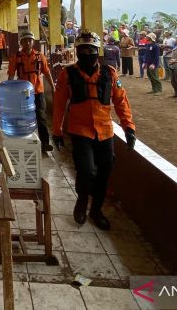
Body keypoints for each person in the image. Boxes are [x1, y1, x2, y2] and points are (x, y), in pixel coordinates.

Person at [52, 30, 136, 230]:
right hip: (80, 131)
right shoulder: (68, 74)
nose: (87, 53)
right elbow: (59, 104)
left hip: (105, 131)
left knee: (105, 171)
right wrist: (57, 131)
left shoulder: (109, 73)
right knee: (86, 170)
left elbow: (121, 101)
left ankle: (96, 209)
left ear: (97, 51)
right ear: (78, 51)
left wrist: (129, 127)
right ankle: (82, 200)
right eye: (83, 49)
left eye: (91, 49)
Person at [7, 31, 56, 152]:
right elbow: (11, 75)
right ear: (21, 42)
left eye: (30, 40)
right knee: (24, 118)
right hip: (23, 93)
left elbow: (47, 72)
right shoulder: (16, 57)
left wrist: (53, 87)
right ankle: (26, 142)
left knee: (41, 117)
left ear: (33, 42)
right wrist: (10, 91)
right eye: (25, 40)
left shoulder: (40, 56)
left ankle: (45, 143)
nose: (28, 42)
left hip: (38, 92)